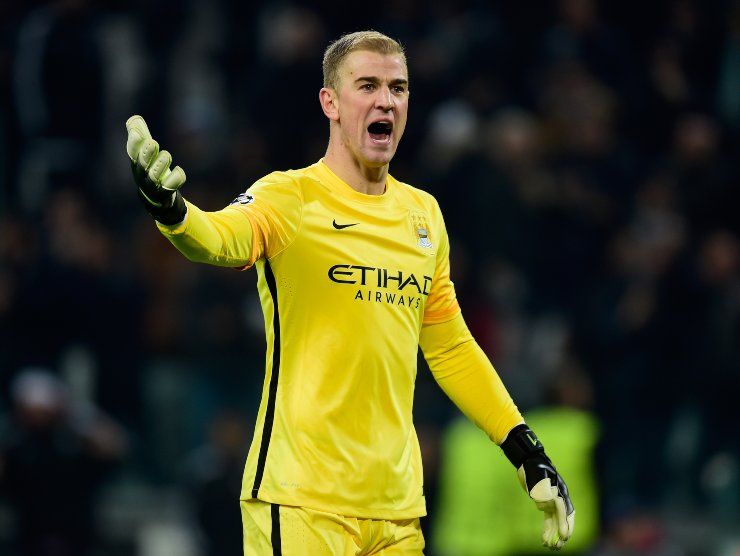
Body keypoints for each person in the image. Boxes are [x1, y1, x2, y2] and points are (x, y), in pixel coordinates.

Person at [125, 30, 575, 555]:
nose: (386, 99)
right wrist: (171, 211)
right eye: (368, 85)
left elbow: (451, 347)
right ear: (330, 103)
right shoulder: (290, 196)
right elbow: (220, 239)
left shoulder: (422, 215)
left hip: (395, 512)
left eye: (398, 88)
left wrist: (526, 451)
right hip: (300, 501)